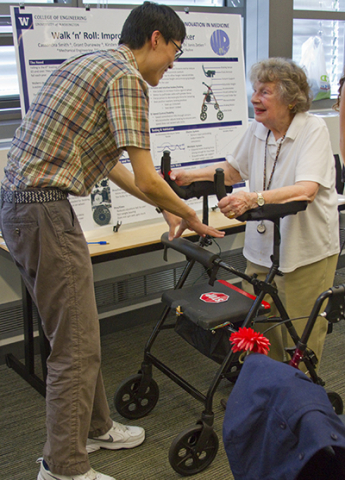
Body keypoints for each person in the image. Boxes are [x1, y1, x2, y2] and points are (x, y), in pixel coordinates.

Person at [0, 3, 224, 480]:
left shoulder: (90, 63)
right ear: (157, 38)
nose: (172, 64)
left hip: (22, 209)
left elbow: (110, 164)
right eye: (176, 52)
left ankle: (97, 427)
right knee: (75, 347)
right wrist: (192, 216)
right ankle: (62, 467)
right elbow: (146, 174)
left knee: (77, 333)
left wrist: (165, 211)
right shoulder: (126, 80)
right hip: (43, 210)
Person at [171, 57, 339, 371]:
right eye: (254, 90)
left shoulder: (312, 129)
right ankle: (265, 386)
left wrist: (253, 199)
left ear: (290, 99)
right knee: (260, 323)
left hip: (305, 250)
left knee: (299, 328)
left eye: (264, 91)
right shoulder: (258, 128)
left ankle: (298, 395)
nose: (254, 98)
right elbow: (233, 171)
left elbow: (307, 189)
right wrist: (191, 176)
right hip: (262, 249)